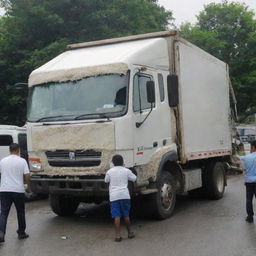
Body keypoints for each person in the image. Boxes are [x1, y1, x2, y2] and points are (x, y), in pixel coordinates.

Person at [0, 143, 31, 242]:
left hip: (4, 190)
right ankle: (21, 233)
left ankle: (1, 233)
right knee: (20, 212)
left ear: (9, 150)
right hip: (18, 190)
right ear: (18, 150)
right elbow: (27, 175)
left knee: (4, 213)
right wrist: (28, 187)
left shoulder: (2, 161)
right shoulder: (22, 161)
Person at [104, 154, 137, 242]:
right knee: (126, 215)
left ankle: (118, 236)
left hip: (114, 196)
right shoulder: (126, 171)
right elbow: (134, 178)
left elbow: (106, 180)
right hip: (125, 195)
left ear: (113, 163)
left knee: (116, 216)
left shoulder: (109, 172)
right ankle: (130, 233)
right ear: (123, 162)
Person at [240, 140, 256, 223]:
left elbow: (244, 170)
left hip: (249, 182)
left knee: (249, 199)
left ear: (252, 147)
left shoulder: (247, 157)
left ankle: (250, 217)